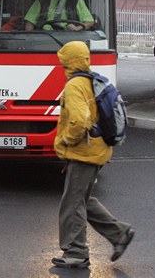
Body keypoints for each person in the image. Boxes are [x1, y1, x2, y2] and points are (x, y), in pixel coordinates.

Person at [51, 40, 134, 269]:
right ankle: (120, 234)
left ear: (67, 61)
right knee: (83, 200)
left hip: (84, 153)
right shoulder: (91, 80)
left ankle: (76, 251)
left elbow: (79, 121)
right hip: (96, 149)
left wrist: (66, 141)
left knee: (72, 202)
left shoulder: (74, 85)